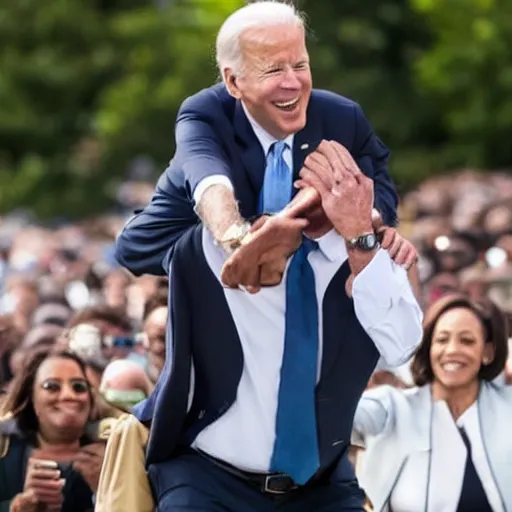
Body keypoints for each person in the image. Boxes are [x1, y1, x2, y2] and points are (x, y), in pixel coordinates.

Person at [114, 2, 423, 511]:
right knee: (150, 238)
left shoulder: (343, 124)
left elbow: (400, 341)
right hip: (205, 473)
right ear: (234, 82)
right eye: (273, 69)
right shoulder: (206, 119)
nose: (291, 82)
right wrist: (241, 238)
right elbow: (207, 178)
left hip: (320, 481)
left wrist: (364, 231)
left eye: (299, 64)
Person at [353, 294, 511, 512]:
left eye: (467, 340)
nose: (452, 350)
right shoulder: (391, 408)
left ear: (488, 352)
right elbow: (332, 417)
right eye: (442, 340)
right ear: (428, 347)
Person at [0, 348, 110, 512]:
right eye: (52, 386)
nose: (68, 395)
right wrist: (17, 507)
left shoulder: (113, 450)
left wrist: (104, 490)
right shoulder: (4, 449)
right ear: (31, 398)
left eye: (79, 387)